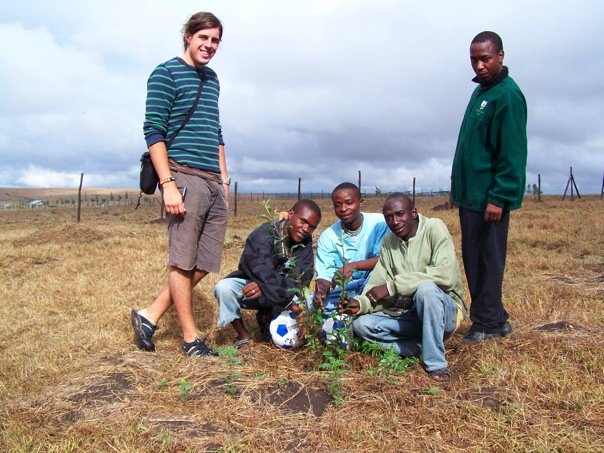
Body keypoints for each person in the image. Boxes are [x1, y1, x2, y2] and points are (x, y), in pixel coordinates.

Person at [130, 12, 230, 357]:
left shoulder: (213, 79)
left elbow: (216, 130)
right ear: (188, 36)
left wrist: (224, 178)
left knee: (205, 261)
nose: (210, 46)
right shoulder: (165, 73)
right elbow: (153, 131)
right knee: (182, 260)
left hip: (213, 181)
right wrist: (168, 183)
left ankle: (150, 314)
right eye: (204, 38)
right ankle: (190, 339)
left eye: (216, 40)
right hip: (183, 174)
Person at [450, 31, 527, 343]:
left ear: (501, 56)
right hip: (472, 197)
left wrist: (500, 196)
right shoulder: (482, 92)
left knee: (487, 260)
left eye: (485, 58)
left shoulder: (507, 96)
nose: (479, 65)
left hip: (489, 199)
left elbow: (512, 152)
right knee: (474, 258)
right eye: (474, 59)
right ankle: (497, 317)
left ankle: (486, 325)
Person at [342, 193, 466, 384]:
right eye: (389, 217)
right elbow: (377, 284)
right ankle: (417, 348)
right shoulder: (390, 242)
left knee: (426, 290)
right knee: (361, 325)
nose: (395, 221)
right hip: (410, 313)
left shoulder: (434, 228)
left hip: (445, 312)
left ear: (413, 213)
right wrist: (360, 303)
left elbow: (445, 275)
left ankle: (436, 364)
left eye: (400, 214)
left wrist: (393, 287)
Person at [214, 199, 321, 350]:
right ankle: (243, 336)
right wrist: (293, 305)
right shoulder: (264, 234)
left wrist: (265, 286)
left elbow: (302, 276)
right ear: (291, 214)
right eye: (303, 221)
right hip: (253, 289)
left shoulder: (305, 241)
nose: (305, 229)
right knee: (224, 288)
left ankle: (271, 320)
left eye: (311, 227)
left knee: (309, 299)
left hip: (276, 291)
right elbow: (260, 268)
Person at [313, 182, 389, 314]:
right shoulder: (328, 236)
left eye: (349, 203)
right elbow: (324, 275)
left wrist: (353, 266)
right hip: (346, 288)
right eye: (337, 205)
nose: (343, 209)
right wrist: (321, 290)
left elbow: (386, 259)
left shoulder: (379, 224)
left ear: (360, 202)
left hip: (374, 283)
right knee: (311, 304)